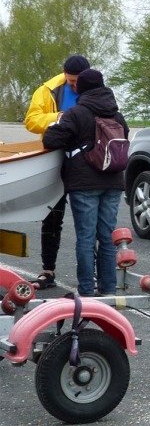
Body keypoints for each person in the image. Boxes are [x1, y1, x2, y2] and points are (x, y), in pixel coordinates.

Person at [41, 68, 128, 297]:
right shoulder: (117, 115)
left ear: (82, 88)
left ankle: (87, 291)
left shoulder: (76, 113)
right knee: (107, 238)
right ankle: (108, 290)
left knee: (86, 239)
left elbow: (51, 140)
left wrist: (55, 124)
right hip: (113, 181)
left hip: (84, 184)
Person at [24, 54, 91, 289]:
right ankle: (48, 270)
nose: (74, 85)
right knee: (52, 217)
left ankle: (90, 273)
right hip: (55, 160)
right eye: (70, 81)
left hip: (86, 162)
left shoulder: (93, 87)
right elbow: (31, 121)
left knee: (87, 221)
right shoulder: (49, 90)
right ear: (64, 74)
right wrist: (58, 117)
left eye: (77, 81)